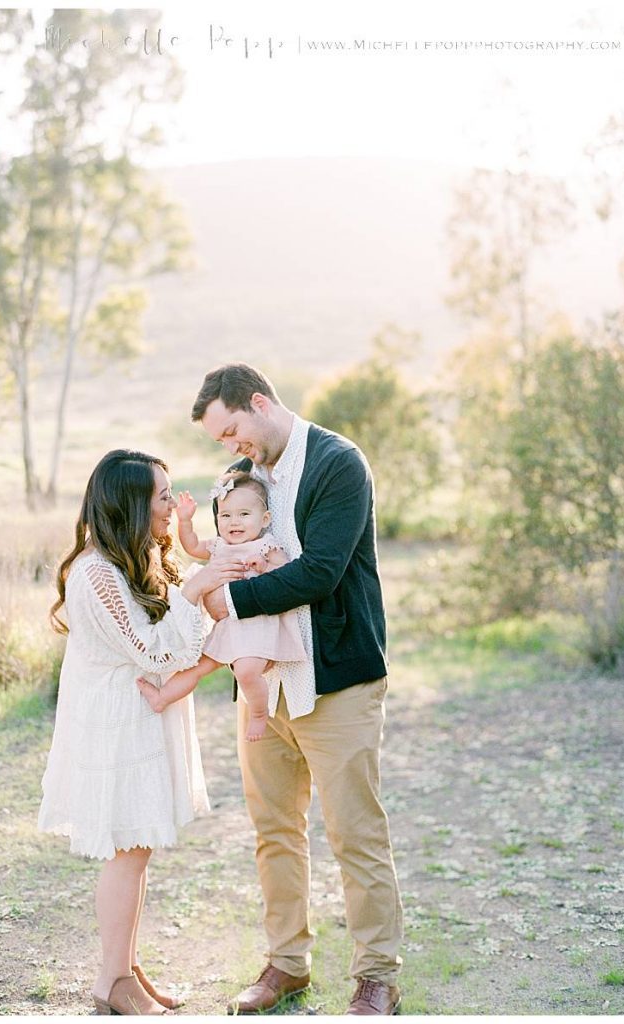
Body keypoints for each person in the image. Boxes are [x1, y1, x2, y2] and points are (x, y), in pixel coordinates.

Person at [192, 364, 405, 1016]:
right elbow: (226, 546)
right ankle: (286, 965)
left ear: (259, 402)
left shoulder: (338, 464)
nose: (232, 448)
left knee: (355, 834)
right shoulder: (244, 481)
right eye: (220, 442)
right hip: (265, 689)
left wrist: (222, 600)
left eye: (232, 431)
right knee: (274, 833)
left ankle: (376, 978)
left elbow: (318, 572)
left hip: (335, 681)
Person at [37, 449, 246, 1016]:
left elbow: (175, 644)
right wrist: (198, 585)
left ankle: (125, 967)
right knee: (127, 853)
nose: (168, 506)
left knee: (138, 851)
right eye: (160, 496)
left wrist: (194, 584)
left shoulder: (129, 563)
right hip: (118, 725)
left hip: (139, 718)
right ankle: (112, 982)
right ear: (129, 502)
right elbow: (156, 653)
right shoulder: (96, 573)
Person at [137, 470, 307, 741]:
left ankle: (259, 714)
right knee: (196, 666)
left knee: (246, 671)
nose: (234, 522)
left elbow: (286, 574)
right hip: (228, 629)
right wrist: (185, 520)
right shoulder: (219, 546)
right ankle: (161, 697)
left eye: (243, 515)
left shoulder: (266, 546)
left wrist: (264, 567)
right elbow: (192, 546)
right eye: (225, 515)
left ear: (265, 519)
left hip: (257, 628)